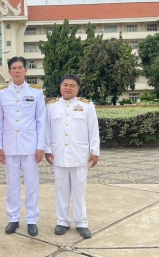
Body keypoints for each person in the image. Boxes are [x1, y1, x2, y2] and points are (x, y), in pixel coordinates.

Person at [0, 56, 46, 237]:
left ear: (25, 71)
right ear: (9, 72)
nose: (17, 71)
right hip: (9, 147)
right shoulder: (1, 93)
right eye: (13, 68)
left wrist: (41, 147)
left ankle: (32, 219)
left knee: (32, 184)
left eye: (20, 68)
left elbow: (41, 121)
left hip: (30, 147)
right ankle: (13, 218)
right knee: (12, 185)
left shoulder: (37, 93)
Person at [45, 74, 100, 239]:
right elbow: (47, 130)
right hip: (58, 154)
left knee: (79, 190)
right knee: (61, 190)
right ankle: (62, 221)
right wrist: (48, 149)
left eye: (72, 85)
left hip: (80, 155)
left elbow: (93, 129)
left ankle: (81, 222)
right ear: (60, 86)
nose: (68, 88)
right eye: (65, 84)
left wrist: (95, 151)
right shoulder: (51, 106)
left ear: (78, 88)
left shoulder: (87, 105)